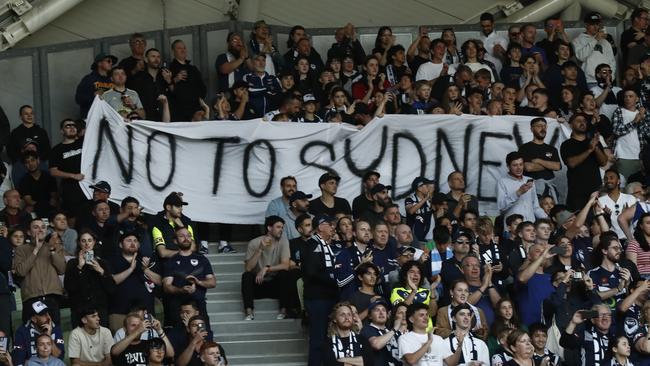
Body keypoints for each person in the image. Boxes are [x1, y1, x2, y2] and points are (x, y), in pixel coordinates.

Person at [302, 214, 340, 366]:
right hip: (318, 299)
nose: (333, 227)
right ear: (320, 226)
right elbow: (312, 272)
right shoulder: (312, 244)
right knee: (318, 337)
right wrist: (334, 279)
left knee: (327, 337)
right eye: (329, 224)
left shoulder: (326, 244)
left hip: (328, 297)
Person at [242, 215, 296, 320]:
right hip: (259, 283)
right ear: (269, 228)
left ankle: (283, 311)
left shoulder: (284, 241)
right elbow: (248, 268)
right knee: (246, 276)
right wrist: (260, 250)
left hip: (275, 285)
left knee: (285, 274)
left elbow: (285, 265)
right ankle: (249, 312)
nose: (281, 230)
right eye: (278, 227)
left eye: (282, 227)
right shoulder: (254, 243)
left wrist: (266, 268)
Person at [12, 219, 66, 325]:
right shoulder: (21, 249)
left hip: (52, 296)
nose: (40, 230)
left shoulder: (54, 247)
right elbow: (21, 272)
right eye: (36, 227)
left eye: (43, 227)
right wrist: (35, 250)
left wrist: (52, 249)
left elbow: (62, 269)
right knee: (32, 335)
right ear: (28, 232)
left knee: (54, 333)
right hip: (31, 297)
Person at [162, 227, 216, 328]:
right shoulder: (170, 262)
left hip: (199, 306)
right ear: (175, 241)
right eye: (182, 236)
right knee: (179, 338)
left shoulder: (202, 259)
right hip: (177, 307)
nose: (186, 238)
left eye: (188, 236)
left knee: (204, 336)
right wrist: (181, 290)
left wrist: (198, 282)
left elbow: (212, 282)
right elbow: (166, 286)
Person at [64, 230, 115, 328]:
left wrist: (101, 271)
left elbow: (111, 288)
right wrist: (79, 267)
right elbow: (69, 287)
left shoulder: (103, 263)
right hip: (80, 312)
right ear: (79, 243)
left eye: (89, 240)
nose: (87, 243)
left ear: (94, 242)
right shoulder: (72, 263)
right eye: (83, 241)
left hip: (99, 312)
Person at [561, 113, 608, 210]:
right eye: (578, 121)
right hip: (577, 192)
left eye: (584, 121)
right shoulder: (567, 144)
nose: (582, 123)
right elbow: (571, 163)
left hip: (596, 189)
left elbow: (603, 162)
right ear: (571, 125)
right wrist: (589, 150)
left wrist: (596, 148)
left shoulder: (594, 142)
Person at [48, 118, 84, 224]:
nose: (72, 127)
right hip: (70, 188)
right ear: (62, 131)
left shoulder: (84, 143)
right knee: (72, 217)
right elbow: (53, 171)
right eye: (68, 126)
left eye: (73, 125)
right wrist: (73, 176)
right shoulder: (56, 150)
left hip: (87, 186)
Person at [497, 151, 547, 226]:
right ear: (508, 166)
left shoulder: (529, 180)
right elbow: (501, 206)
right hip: (513, 229)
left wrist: (547, 219)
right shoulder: (502, 182)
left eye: (521, 164)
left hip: (530, 227)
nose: (519, 168)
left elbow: (535, 207)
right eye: (515, 165)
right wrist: (518, 193)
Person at [519, 117, 562, 201]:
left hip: (549, 188)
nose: (543, 129)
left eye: (544, 126)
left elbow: (557, 166)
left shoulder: (552, 149)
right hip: (531, 187)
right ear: (532, 129)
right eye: (539, 126)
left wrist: (538, 161)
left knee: (551, 213)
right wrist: (549, 165)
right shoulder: (525, 147)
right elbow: (528, 167)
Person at [588, 232, 632, 311]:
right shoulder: (593, 273)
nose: (619, 251)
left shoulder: (624, 272)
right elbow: (595, 297)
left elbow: (630, 301)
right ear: (604, 251)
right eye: (615, 248)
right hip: (604, 318)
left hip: (623, 318)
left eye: (619, 248)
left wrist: (627, 285)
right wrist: (618, 289)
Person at [612, 88, 650, 178]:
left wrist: (642, 118)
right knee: (625, 185)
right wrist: (634, 122)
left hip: (642, 157)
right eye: (625, 97)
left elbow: (648, 134)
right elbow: (617, 131)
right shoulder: (619, 111)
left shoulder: (643, 113)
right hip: (624, 156)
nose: (627, 99)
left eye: (630, 96)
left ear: (637, 99)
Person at [127, 47, 172, 122]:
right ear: (146, 59)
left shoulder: (165, 74)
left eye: (158, 57)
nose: (156, 59)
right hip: (146, 119)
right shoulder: (139, 77)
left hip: (164, 118)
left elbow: (174, 94)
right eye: (153, 56)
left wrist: (169, 81)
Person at [13, 301, 64, 366]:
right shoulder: (22, 332)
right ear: (34, 319)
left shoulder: (56, 329)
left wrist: (48, 336)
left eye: (48, 313)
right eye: (43, 315)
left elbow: (59, 358)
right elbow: (19, 360)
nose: (48, 317)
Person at [572, 12, 617, 85]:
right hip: (590, 81)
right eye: (592, 24)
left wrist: (611, 77)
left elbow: (612, 61)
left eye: (597, 24)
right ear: (586, 25)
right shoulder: (577, 40)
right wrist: (595, 40)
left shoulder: (605, 41)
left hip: (606, 81)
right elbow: (581, 57)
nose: (596, 27)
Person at [516, 244, 555, 326]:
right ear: (529, 256)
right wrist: (543, 256)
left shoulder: (551, 277)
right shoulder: (524, 274)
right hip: (530, 326)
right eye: (538, 251)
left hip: (549, 326)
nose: (542, 253)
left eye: (543, 251)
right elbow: (522, 279)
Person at [168, 40, 207, 121]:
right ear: (173, 51)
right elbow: (167, 90)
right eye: (179, 48)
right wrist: (175, 79)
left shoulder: (193, 69)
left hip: (196, 110)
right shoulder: (169, 69)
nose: (183, 50)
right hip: (178, 112)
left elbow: (202, 88)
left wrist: (200, 102)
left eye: (184, 48)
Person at [151, 192, 195, 260]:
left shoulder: (187, 222)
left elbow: (192, 248)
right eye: (177, 206)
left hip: (187, 262)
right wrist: (184, 253)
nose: (181, 209)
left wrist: (182, 227)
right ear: (168, 207)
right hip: (167, 264)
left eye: (181, 206)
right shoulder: (157, 224)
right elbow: (162, 253)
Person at [360, 299, 403, 366]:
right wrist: (395, 328)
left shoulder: (392, 331)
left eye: (383, 310)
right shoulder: (367, 329)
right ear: (370, 316)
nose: (381, 313)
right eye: (377, 310)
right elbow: (376, 345)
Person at [598, 169, 637, 240]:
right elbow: (599, 226)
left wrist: (627, 215)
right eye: (606, 179)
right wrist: (606, 217)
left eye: (611, 178)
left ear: (618, 181)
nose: (608, 180)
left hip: (631, 238)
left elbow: (638, 221)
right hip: (612, 240)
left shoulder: (630, 198)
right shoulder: (600, 201)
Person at [17, 151, 57, 219]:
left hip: (49, 204)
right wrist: (42, 205)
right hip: (35, 206)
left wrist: (49, 203)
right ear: (24, 165)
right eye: (27, 162)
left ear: (38, 160)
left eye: (32, 160)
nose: (31, 164)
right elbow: (28, 200)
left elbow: (54, 196)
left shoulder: (48, 176)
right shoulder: (24, 181)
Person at [75, 53, 116, 117]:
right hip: (93, 118)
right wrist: (93, 95)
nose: (111, 63)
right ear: (99, 63)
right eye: (108, 61)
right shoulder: (89, 79)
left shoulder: (113, 80)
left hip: (109, 118)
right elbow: (78, 99)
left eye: (112, 62)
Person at [405, 177, 435, 242]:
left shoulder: (430, 200)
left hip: (430, 237)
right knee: (419, 251)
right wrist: (426, 198)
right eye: (426, 185)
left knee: (429, 251)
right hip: (414, 239)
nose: (429, 187)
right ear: (419, 188)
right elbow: (411, 211)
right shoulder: (410, 199)